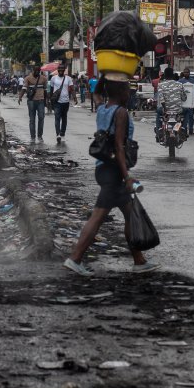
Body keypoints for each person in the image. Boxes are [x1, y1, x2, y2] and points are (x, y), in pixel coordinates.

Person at [63, 78, 159, 277]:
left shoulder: (102, 108)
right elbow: (119, 146)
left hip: (103, 168)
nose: (129, 93)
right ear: (121, 92)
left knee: (130, 213)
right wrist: (127, 176)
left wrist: (105, 77)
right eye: (126, 89)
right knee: (98, 217)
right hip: (114, 172)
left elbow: (97, 94)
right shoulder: (121, 112)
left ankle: (139, 260)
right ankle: (75, 258)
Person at [48, 65, 76, 144]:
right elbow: (51, 89)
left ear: (64, 70)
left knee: (64, 118)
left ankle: (62, 134)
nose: (60, 70)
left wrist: (75, 98)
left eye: (62, 68)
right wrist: (50, 99)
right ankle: (58, 134)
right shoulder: (53, 78)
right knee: (57, 117)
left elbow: (72, 88)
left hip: (66, 101)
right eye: (59, 68)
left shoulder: (68, 78)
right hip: (57, 102)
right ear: (57, 69)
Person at [155, 67, 185, 138]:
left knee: (158, 112)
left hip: (166, 110)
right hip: (178, 110)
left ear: (164, 75)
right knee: (187, 112)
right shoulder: (180, 84)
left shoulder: (160, 85)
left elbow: (161, 99)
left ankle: (159, 130)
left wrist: (165, 108)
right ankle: (183, 128)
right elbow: (184, 98)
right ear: (173, 75)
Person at [20, 67, 47, 141]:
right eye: (36, 71)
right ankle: (32, 136)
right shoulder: (28, 78)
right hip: (31, 101)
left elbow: (45, 90)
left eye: (38, 71)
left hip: (41, 101)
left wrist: (46, 101)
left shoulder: (43, 79)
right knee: (32, 119)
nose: (37, 72)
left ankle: (40, 136)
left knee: (41, 118)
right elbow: (24, 88)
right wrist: (20, 97)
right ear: (33, 70)